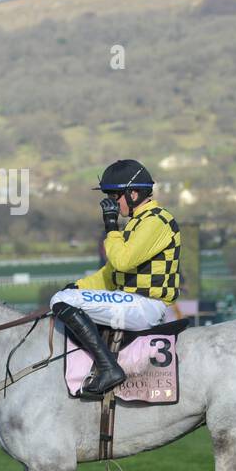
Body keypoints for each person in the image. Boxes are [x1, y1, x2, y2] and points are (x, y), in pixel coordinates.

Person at [49, 159, 181, 397]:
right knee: (65, 297)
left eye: (114, 195)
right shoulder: (137, 223)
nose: (111, 202)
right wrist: (79, 286)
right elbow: (113, 273)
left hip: (147, 306)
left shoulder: (156, 221)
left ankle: (109, 368)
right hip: (132, 302)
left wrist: (111, 227)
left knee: (62, 300)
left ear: (134, 193)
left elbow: (122, 260)